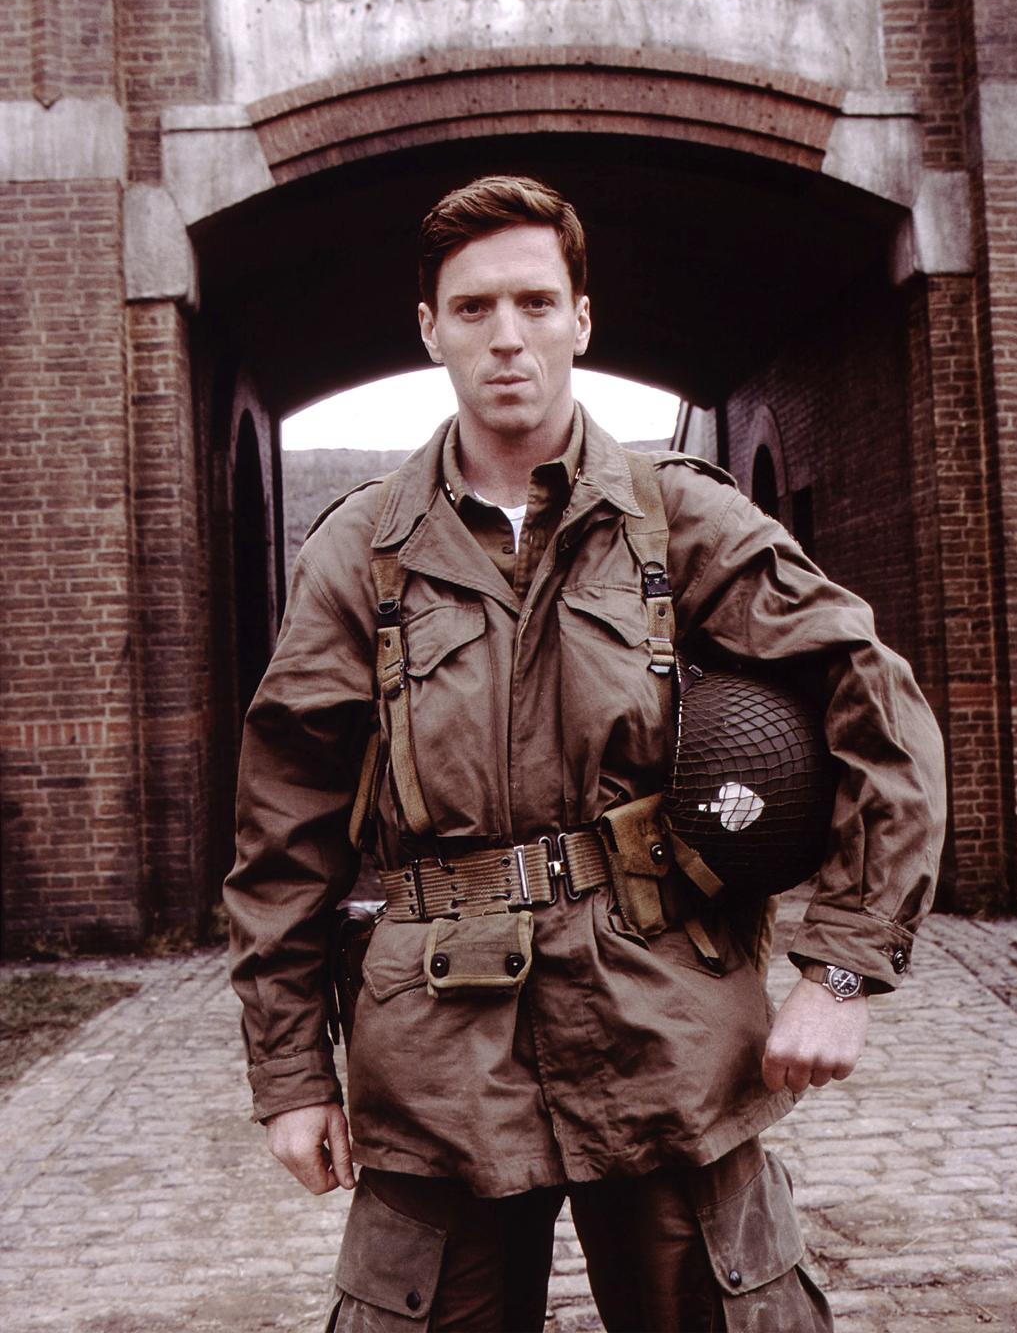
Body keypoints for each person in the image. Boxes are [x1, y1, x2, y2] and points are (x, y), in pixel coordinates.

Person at [225, 174, 945, 1332]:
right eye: (473, 308)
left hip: (665, 1029)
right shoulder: (361, 549)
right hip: (436, 1056)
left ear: (581, 319)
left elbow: (875, 697)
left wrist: (843, 969)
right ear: (431, 330)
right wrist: (290, 1072)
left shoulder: (677, 517)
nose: (507, 336)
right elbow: (283, 821)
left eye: (535, 302)